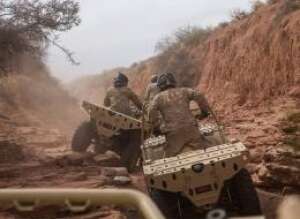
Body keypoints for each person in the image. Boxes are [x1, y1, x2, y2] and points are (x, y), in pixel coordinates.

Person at [148, 72, 211, 157]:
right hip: (191, 129)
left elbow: (151, 111)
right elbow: (199, 95)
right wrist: (204, 112)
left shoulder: (158, 98)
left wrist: (156, 128)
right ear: (174, 82)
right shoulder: (185, 91)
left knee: (171, 159)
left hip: (173, 134)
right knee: (204, 153)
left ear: (160, 85)